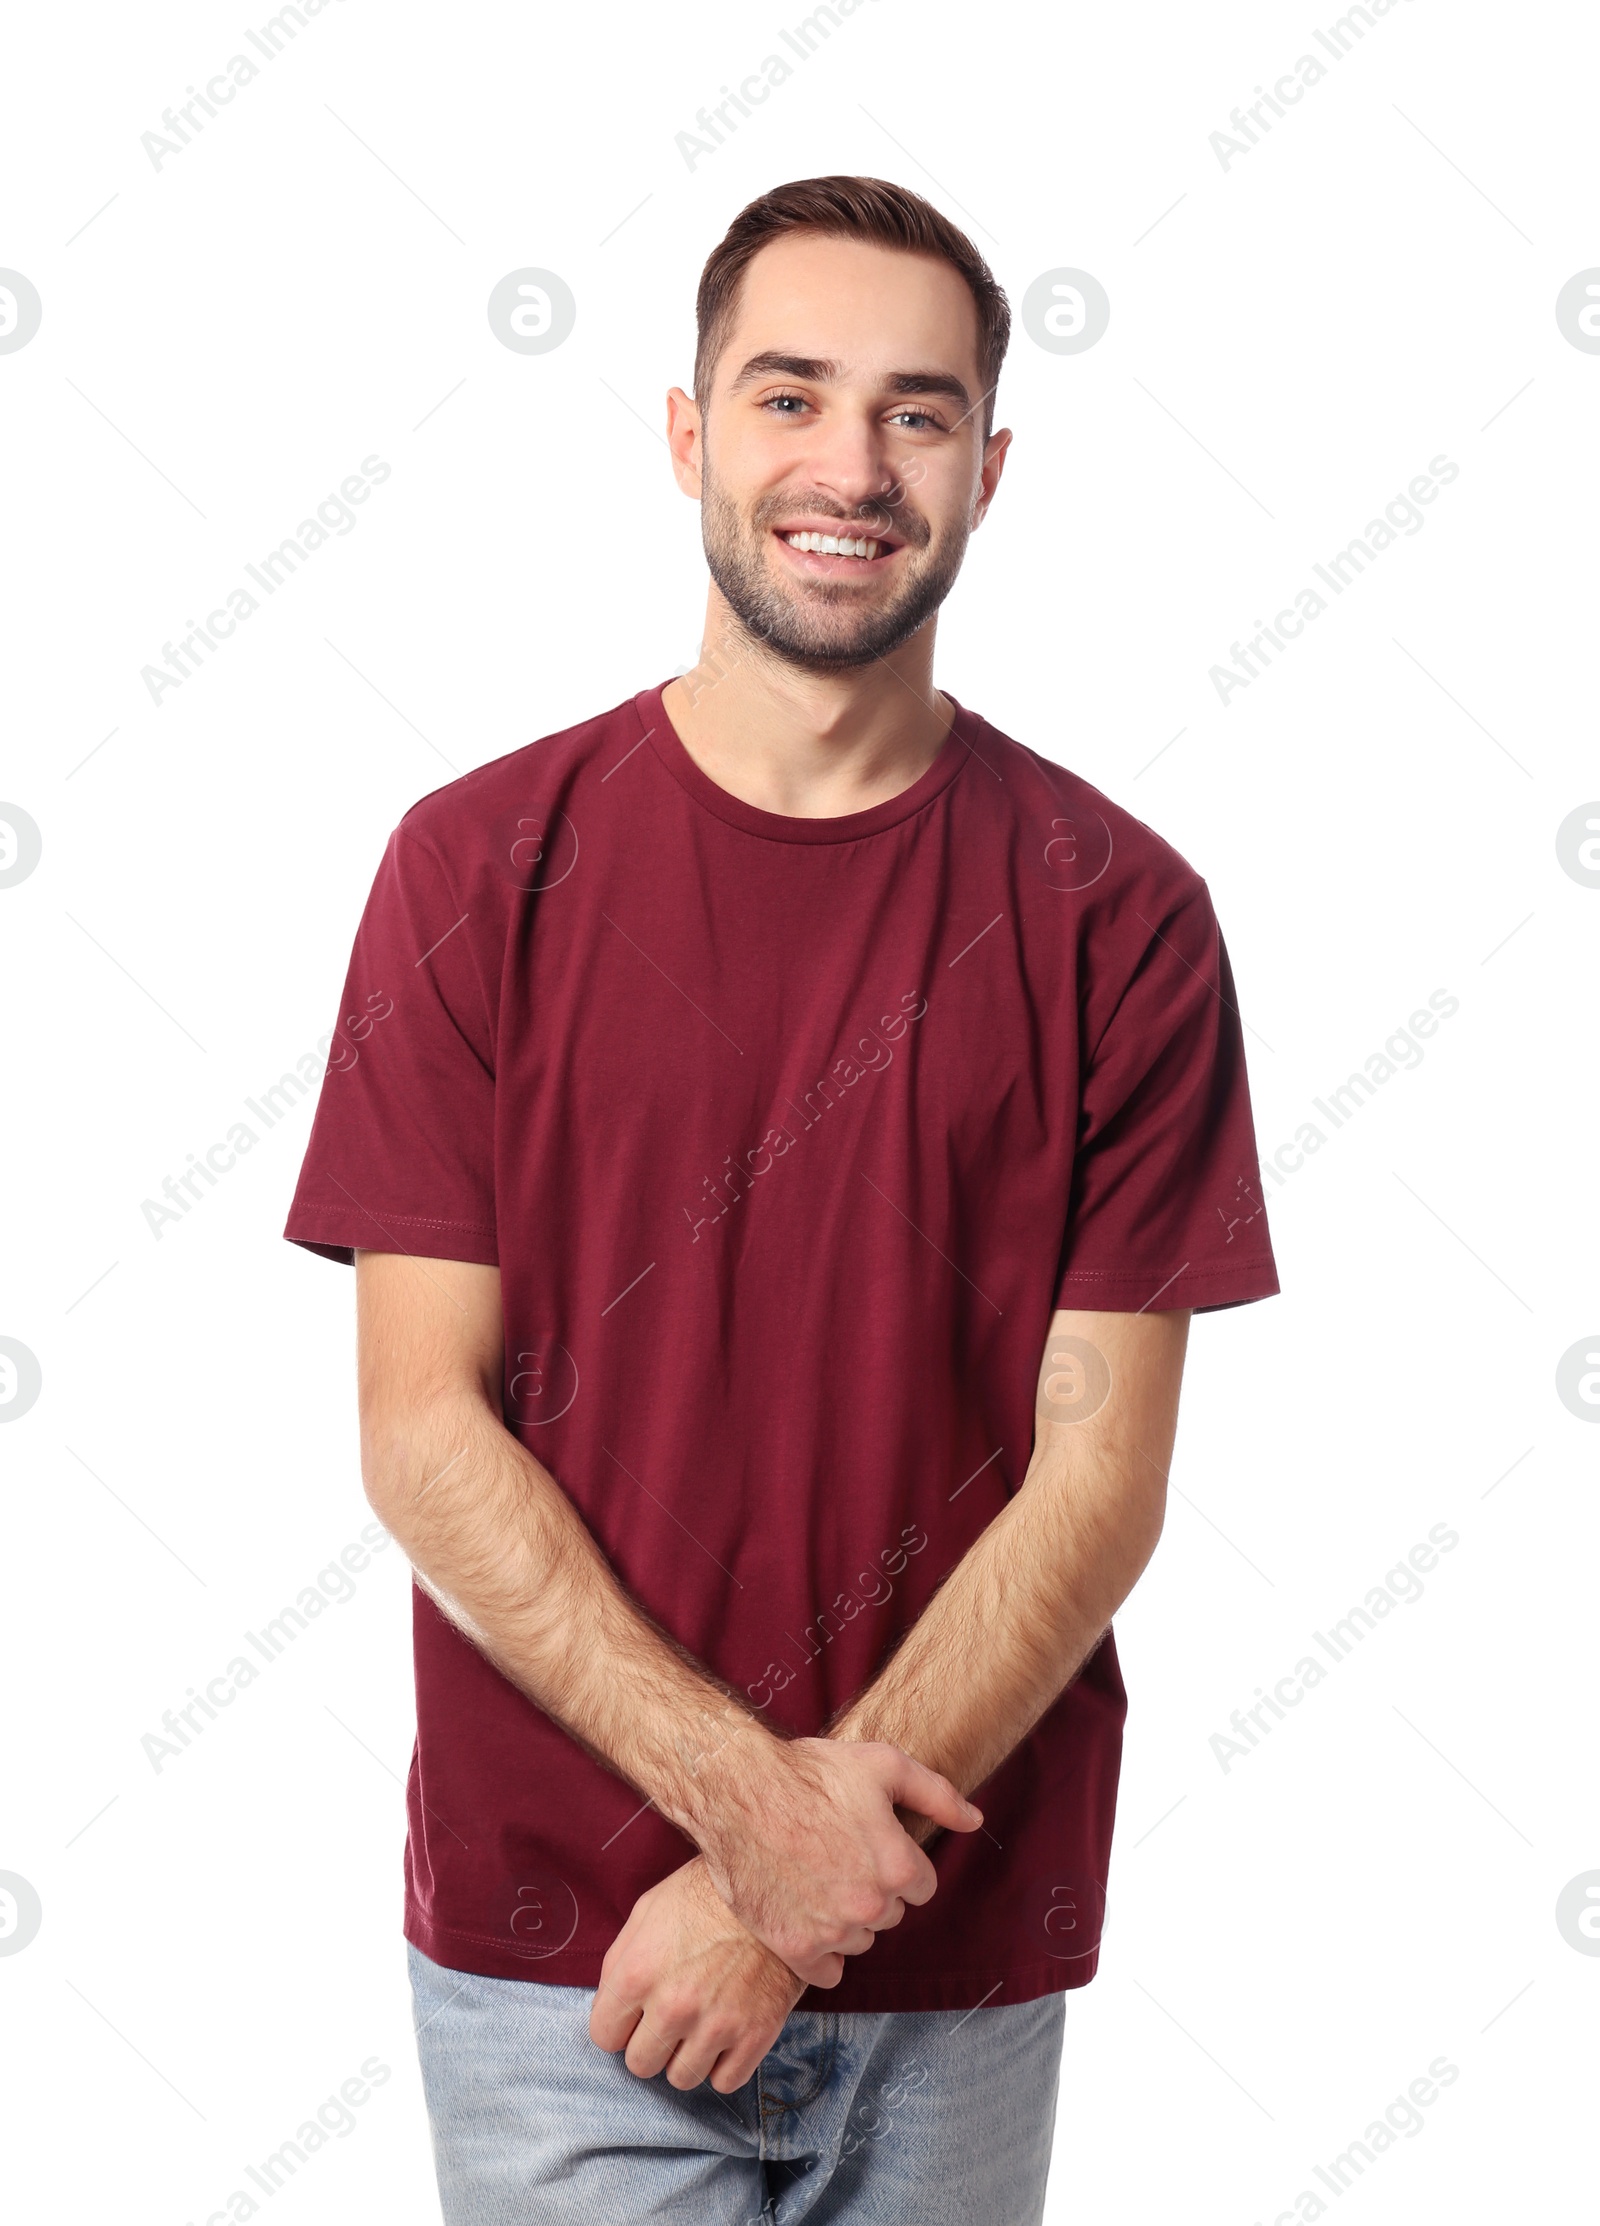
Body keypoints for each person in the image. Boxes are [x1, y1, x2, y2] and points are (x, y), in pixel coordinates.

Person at [284, 173, 1280, 2225]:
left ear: (989, 469)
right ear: (685, 436)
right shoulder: (473, 871)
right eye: (787, 395)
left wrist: (804, 1891)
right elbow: (416, 1429)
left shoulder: (1121, 921)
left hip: (954, 1956)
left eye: (915, 413)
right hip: (557, 1965)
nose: (849, 465)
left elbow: (1097, 1489)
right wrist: (755, 1823)